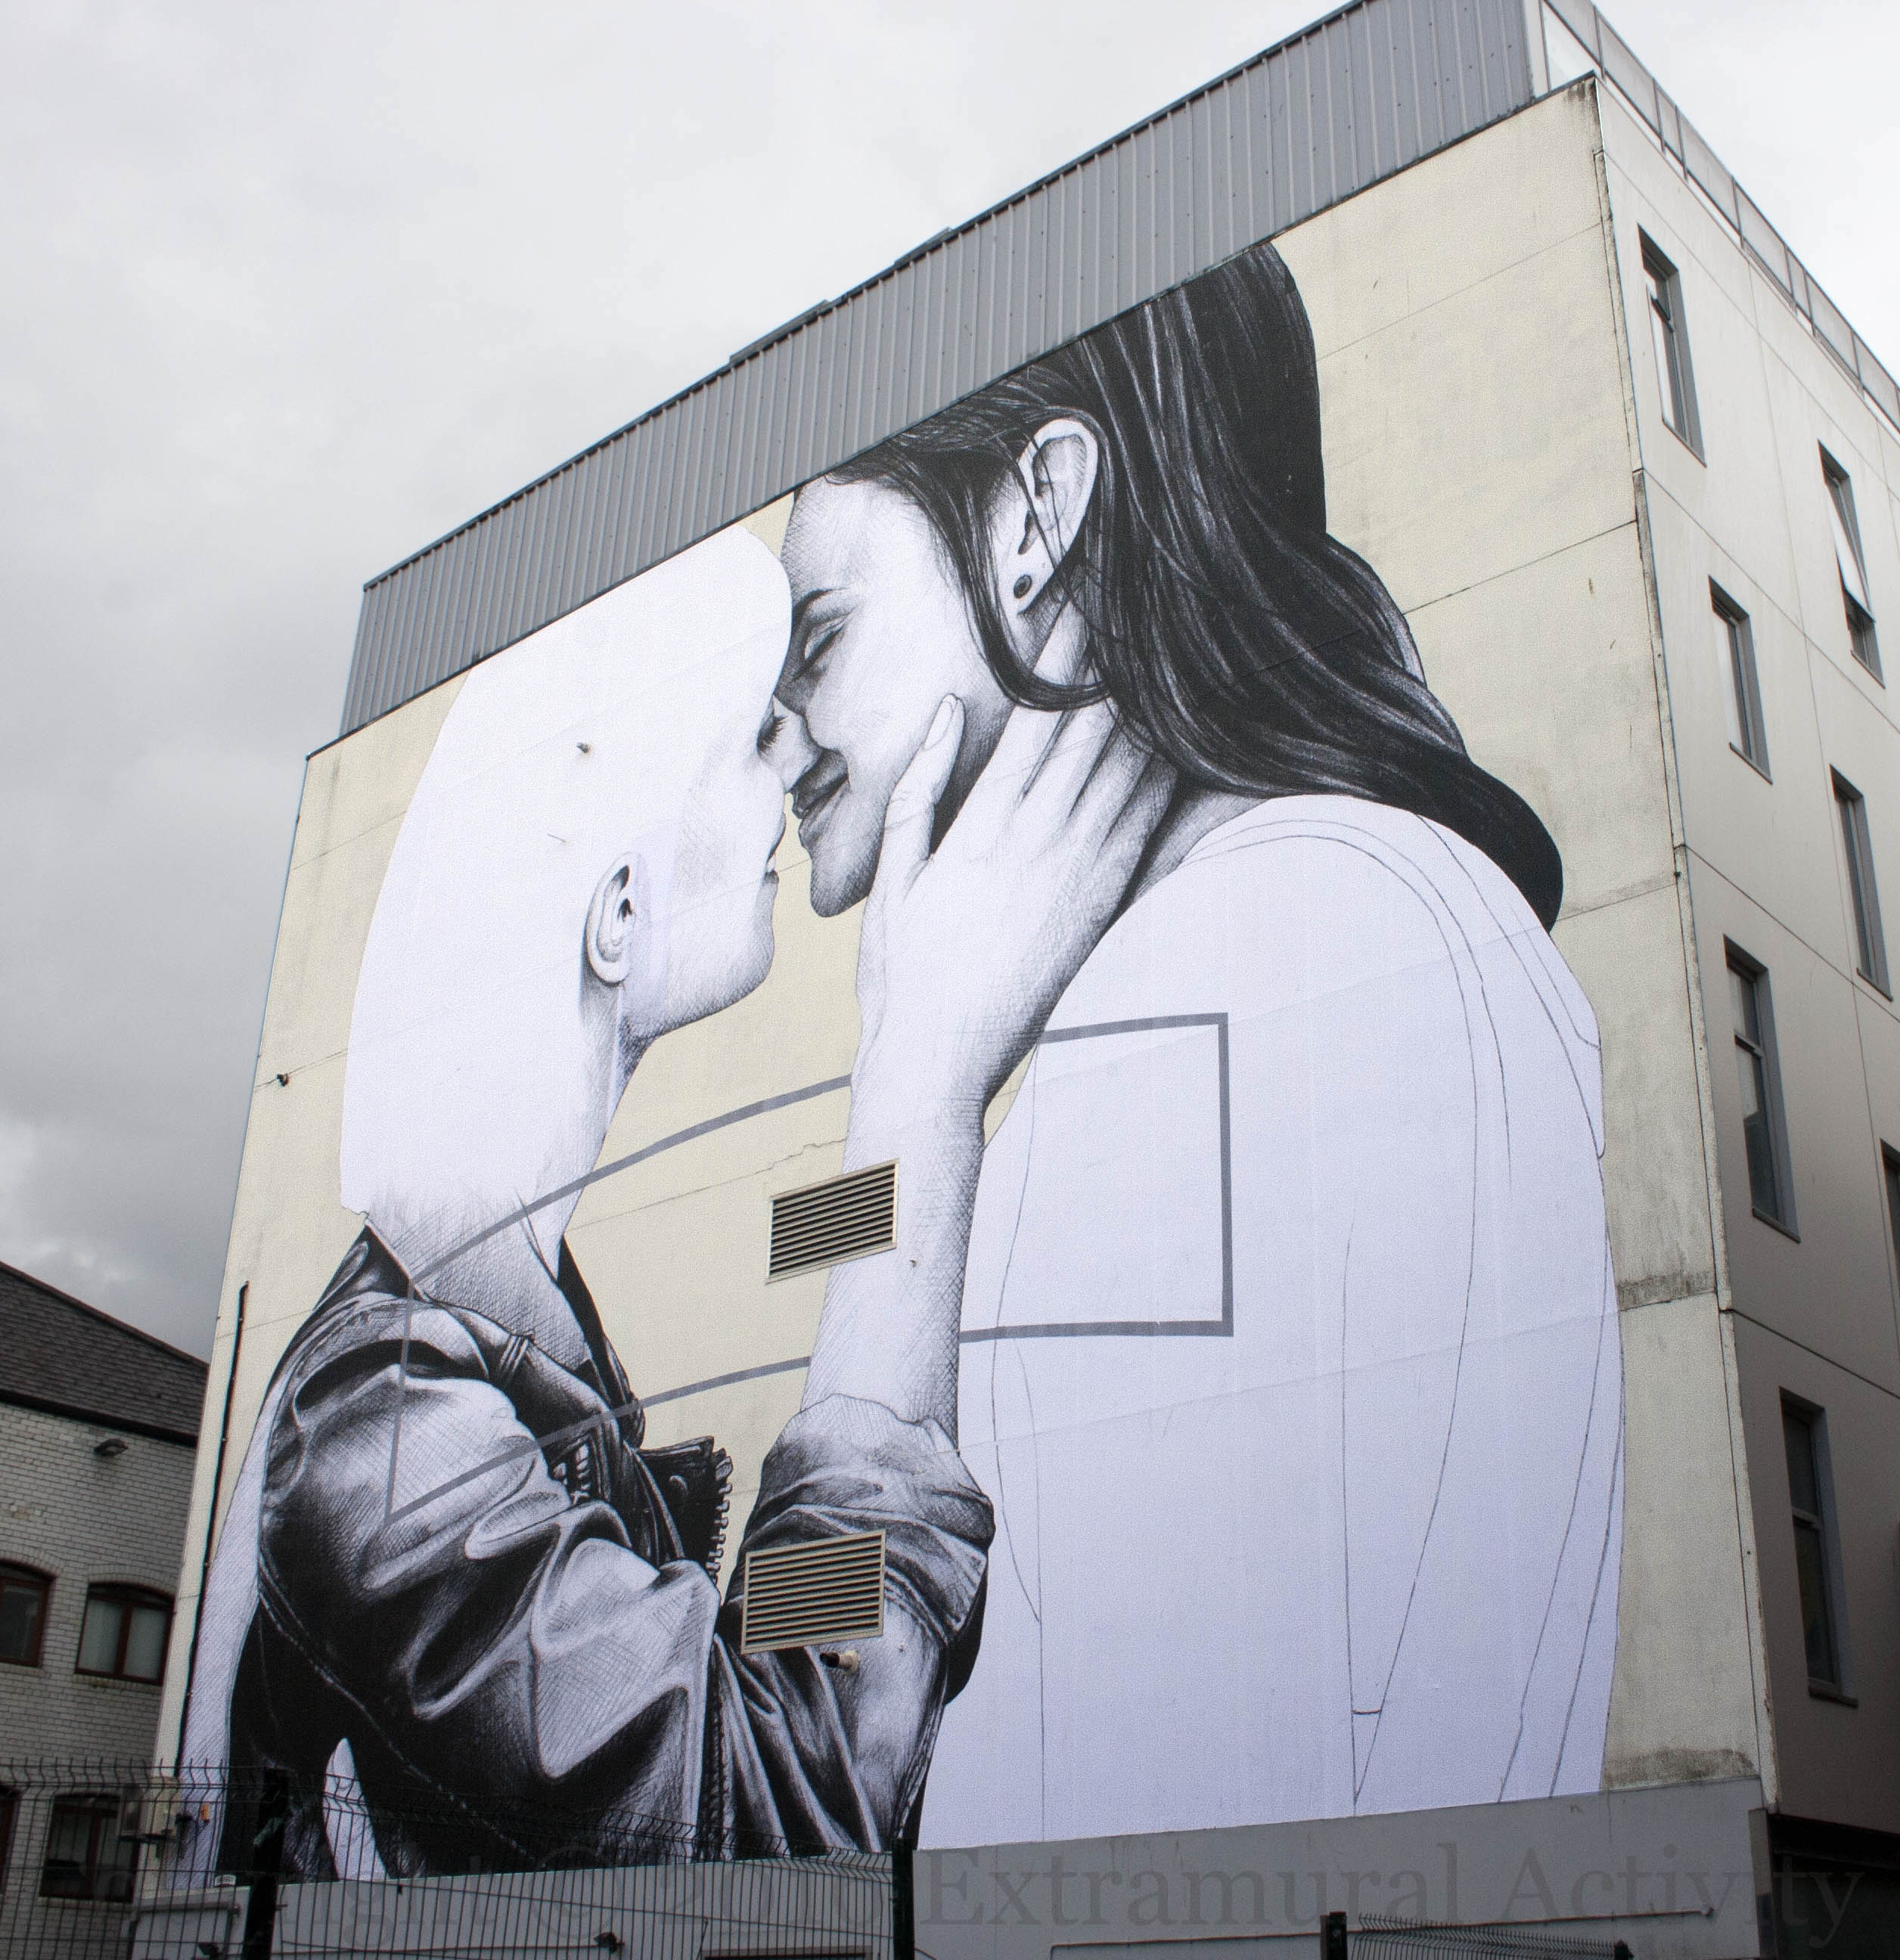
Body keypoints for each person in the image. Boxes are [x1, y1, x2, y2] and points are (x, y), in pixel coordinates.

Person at [770, 238, 1625, 1844]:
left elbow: (813, 1756)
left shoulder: (1219, 981)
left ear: (1037, 518)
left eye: (816, 637)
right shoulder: (1355, 916)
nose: (771, 731)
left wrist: (908, 1089)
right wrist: (904, 1105)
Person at [180, 526, 1169, 1876]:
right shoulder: (384, 1436)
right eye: (745, 740)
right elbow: (770, 1807)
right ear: (619, 915)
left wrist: (899, 1158)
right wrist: (919, 1088)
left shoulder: (509, 1364)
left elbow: (735, 1656)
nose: (790, 762)